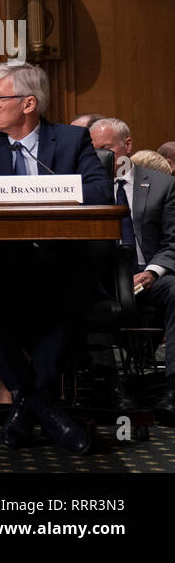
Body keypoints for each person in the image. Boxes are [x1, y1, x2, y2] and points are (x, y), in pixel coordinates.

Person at [0, 60, 108, 454]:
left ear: (29, 103)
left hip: (56, 263)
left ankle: (27, 406)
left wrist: (34, 193)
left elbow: (99, 193)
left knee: (70, 294)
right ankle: (43, 408)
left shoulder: (69, 141)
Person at [90, 118, 175, 423]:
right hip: (103, 277)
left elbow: (172, 240)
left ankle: (172, 391)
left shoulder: (163, 185)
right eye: (92, 150)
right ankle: (111, 387)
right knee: (78, 294)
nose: (98, 157)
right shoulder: (85, 189)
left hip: (148, 272)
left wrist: (152, 272)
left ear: (127, 147)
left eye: (106, 149)